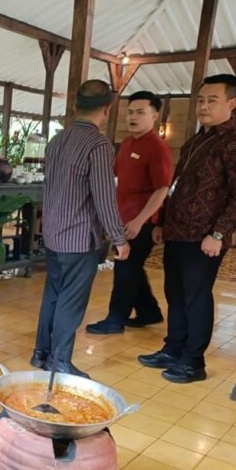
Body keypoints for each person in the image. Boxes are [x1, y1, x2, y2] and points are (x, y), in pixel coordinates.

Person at [138, 73, 236, 383]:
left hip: (205, 238)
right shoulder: (195, 141)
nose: (204, 106)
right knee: (175, 294)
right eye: (201, 100)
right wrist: (162, 222)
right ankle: (173, 348)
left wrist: (218, 233)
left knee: (196, 297)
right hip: (177, 233)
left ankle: (193, 362)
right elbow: (176, 187)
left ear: (231, 103)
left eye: (212, 100)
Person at [30, 79, 130, 378]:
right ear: (107, 110)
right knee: (71, 302)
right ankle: (60, 362)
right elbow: (103, 195)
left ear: (75, 105)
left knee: (53, 295)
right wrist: (119, 237)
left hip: (53, 233)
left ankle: (41, 355)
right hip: (78, 238)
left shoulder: (57, 141)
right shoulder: (98, 144)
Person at [86, 91, 173, 335]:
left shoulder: (157, 147)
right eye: (130, 112)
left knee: (125, 268)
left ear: (155, 115)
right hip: (122, 219)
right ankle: (149, 311)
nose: (133, 117)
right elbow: (115, 177)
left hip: (140, 222)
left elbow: (162, 189)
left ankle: (116, 319)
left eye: (140, 112)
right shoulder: (127, 143)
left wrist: (140, 221)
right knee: (131, 267)